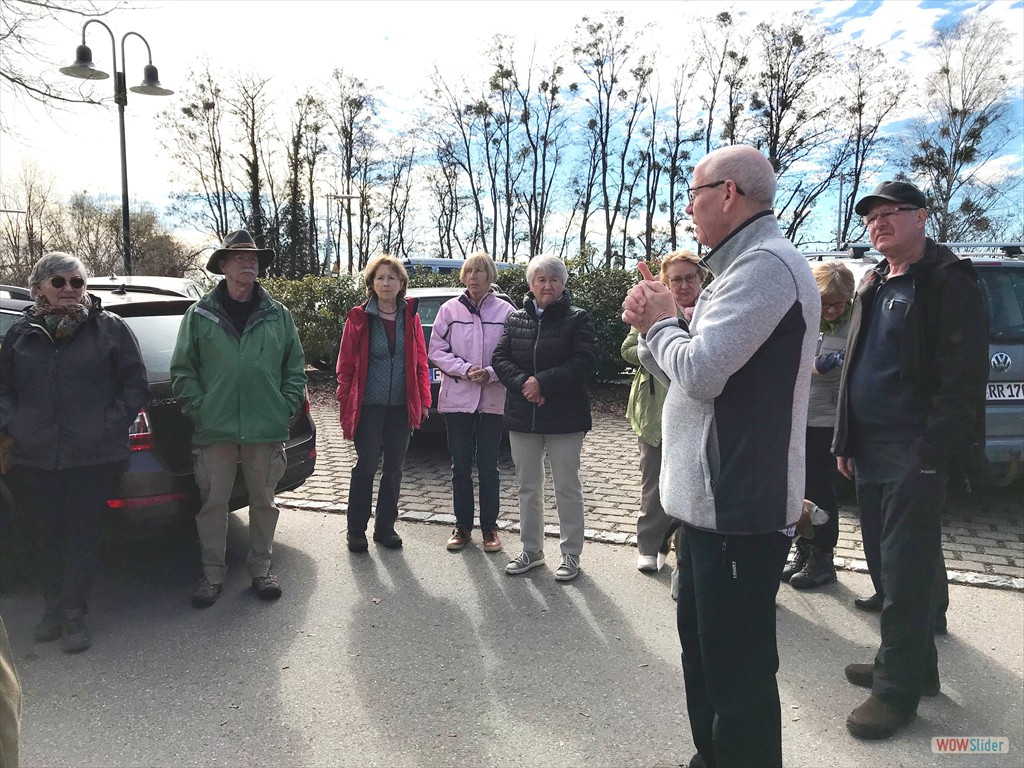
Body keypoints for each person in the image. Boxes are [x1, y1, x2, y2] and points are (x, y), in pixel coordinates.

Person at [622, 144, 819, 768]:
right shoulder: (734, 269)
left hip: (739, 506)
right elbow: (690, 372)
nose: (689, 207)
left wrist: (660, 325)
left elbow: (702, 372)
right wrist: (649, 331)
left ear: (728, 194)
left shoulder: (765, 267)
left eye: (695, 194)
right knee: (704, 655)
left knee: (737, 674)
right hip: (707, 508)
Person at [833, 180, 988, 739]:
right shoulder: (874, 282)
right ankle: (915, 667)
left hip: (913, 454)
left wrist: (932, 455)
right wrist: (845, 440)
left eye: (890, 214)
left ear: (922, 217)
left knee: (904, 571)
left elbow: (962, 380)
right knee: (884, 563)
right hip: (869, 450)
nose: (878, 224)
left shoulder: (950, 282)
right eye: (871, 217)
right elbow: (855, 366)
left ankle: (895, 691)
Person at [0, 253, 149, 652]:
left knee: (82, 536)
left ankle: (73, 612)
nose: (69, 290)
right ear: (39, 288)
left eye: (76, 282)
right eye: (59, 282)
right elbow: (4, 388)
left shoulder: (109, 329)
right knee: (44, 536)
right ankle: (52, 605)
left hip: (92, 457)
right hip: (35, 457)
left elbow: (134, 385)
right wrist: (16, 424)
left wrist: (107, 426)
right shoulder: (21, 334)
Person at [171, 230, 307, 608]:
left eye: (254, 258)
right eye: (240, 258)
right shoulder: (198, 316)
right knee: (213, 506)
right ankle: (212, 574)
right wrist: (200, 408)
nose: (249, 263)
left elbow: (295, 369)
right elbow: (183, 371)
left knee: (264, 502)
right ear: (224, 266)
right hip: (215, 431)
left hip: (266, 428)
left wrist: (284, 406)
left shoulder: (278, 315)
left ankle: (261, 570)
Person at [492, 254, 598, 582]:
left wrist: (543, 383)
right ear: (531, 284)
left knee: (567, 487)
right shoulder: (516, 319)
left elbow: (584, 361)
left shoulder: (578, 319)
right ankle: (532, 550)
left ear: (563, 284)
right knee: (527, 486)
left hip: (565, 418)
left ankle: (570, 555)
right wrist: (526, 384)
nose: (547, 285)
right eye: (541, 279)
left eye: (554, 279)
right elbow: (500, 357)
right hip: (523, 417)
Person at [336, 255, 431, 553]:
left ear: (402, 283)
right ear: (372, 283)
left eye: (392, 278)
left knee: (394, 468)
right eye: (380, 278)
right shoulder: (359, 318)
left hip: (401, 406)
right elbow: (346, 366)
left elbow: (419, 362)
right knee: (365, 466)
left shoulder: (410, 316)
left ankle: (385, 528)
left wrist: (424, 400)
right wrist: (345, 402)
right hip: (368, 406)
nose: (386, 283)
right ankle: (356, 530)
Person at [621, 250, 708, 574]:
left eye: (690, 277)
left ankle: (686, 552)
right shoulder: (655, 306)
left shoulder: (712, 309)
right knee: (654, 485)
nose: (683, 285)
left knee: (693, 487)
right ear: (665, 282)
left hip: (699, 415)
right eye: (676, 279)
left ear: (701, 278)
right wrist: (659, 338)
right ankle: (650, 545)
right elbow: (629, 348)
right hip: (656, 410)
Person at [427, 252, 515, 553]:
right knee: (460, 466)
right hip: (457, 399)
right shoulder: (449, 310)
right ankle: (463, 526)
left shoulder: (506, 311)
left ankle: (490, 528)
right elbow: (437, 350)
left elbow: (513, 353)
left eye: (481, 271)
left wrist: (490, 373)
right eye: (469, 271)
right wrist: (465, 369)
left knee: (489, 466)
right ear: (463, 276)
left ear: (491, 276)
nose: (474, 276)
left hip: (492, 398)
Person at [782, 261, 856, 590]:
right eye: (825, 303)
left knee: (821, 489)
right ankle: (804, 547)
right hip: (799, 417)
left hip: (828, 421)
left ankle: (823, 557)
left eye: (839, 303)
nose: (832, 310)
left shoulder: (855, 322)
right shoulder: (804, 316)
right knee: (799, 488)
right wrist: (814, 366)